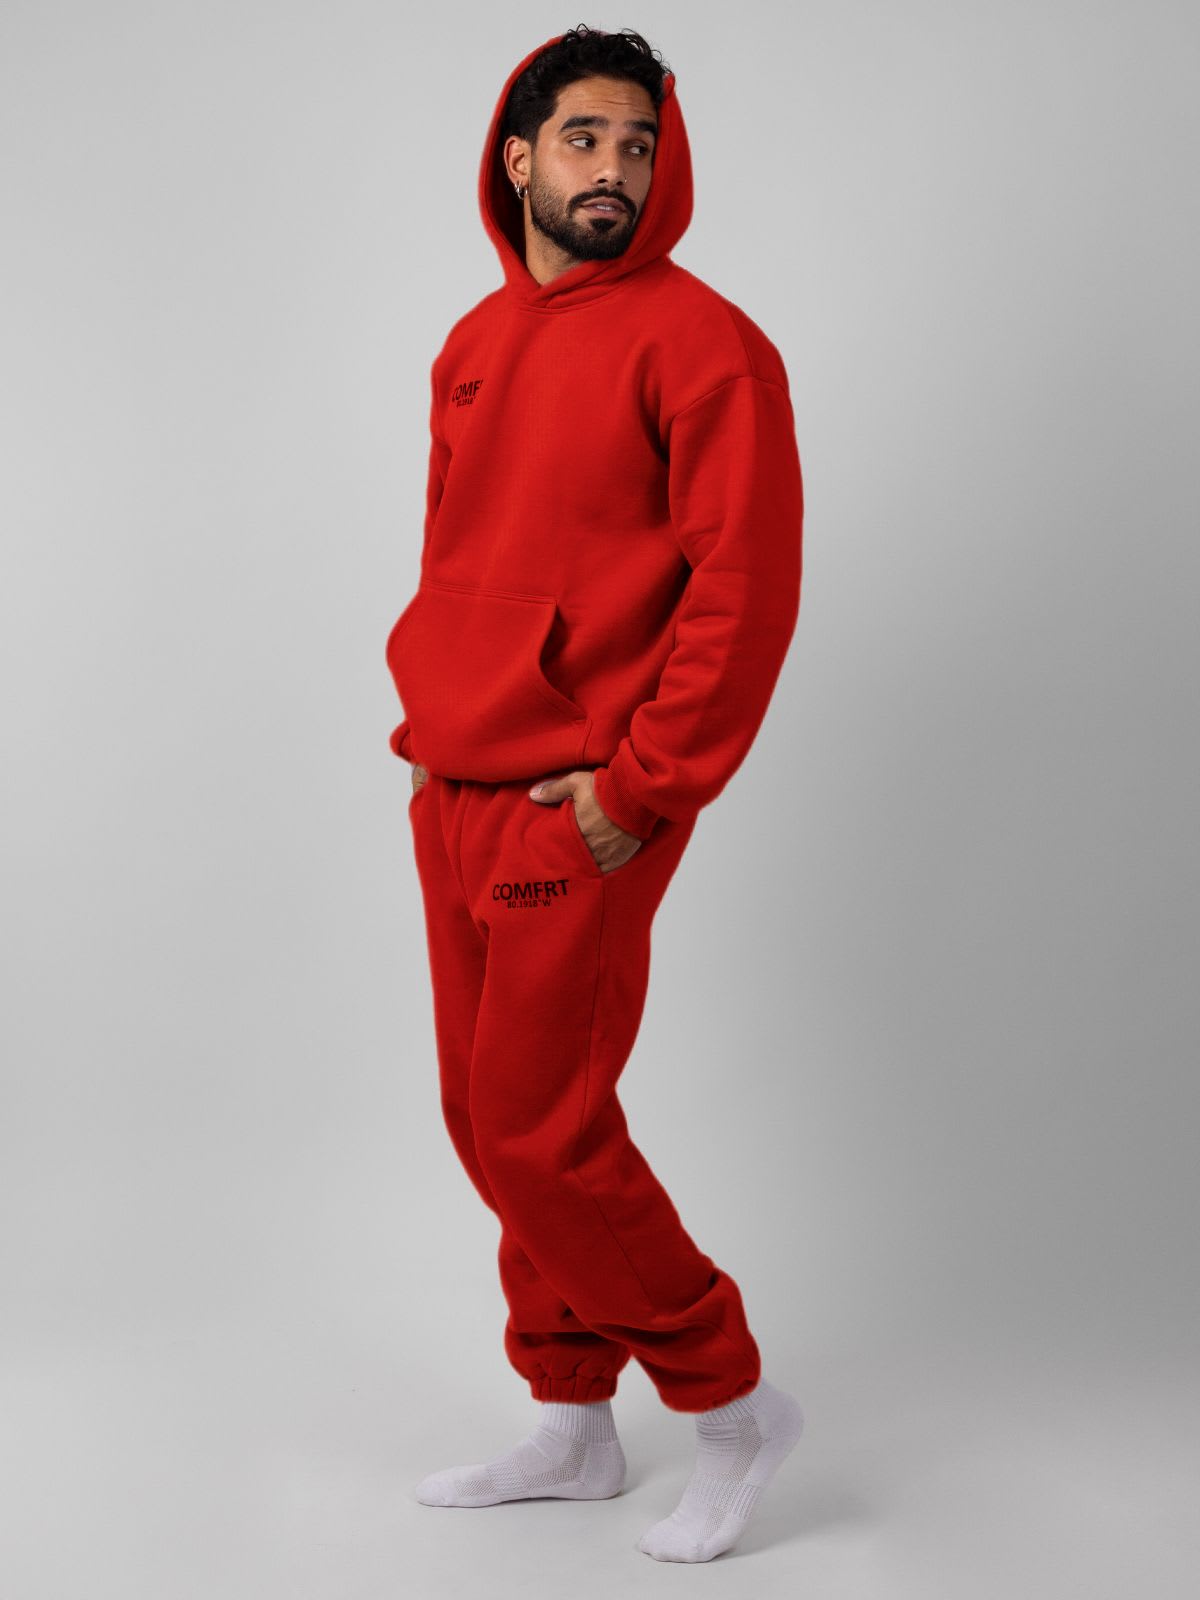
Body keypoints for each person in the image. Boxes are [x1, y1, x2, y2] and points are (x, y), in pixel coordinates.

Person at [384, 26, 805, 1563]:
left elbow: (745, 588)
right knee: (485, 1116)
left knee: (537, 1123)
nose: (614, 167)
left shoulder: (706, 345)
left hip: (585, 801)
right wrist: (435, 715)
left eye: (638, 143)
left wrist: (645, 785)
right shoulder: (474, 341)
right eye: (585, 139)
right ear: (519, 158)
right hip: (454, 777)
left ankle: (731, 1398)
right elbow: (456, 553)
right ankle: (570, 1415)